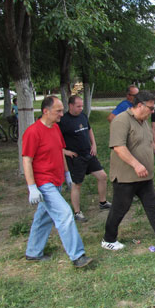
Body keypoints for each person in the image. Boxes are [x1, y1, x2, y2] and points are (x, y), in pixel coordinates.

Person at [102, 91, 155, 251]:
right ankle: (108, 239)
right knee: (120, 208)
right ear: (140, 105)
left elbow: (149, 141)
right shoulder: (121, 120)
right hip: (126, 176)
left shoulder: (143, 121)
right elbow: (119, 147)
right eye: (151, 108)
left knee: (152, 205)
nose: (153, 111)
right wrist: (136, 165)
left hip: (144, 176)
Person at [22, 96, 93, 268]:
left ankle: (33, 252)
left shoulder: (55, 128)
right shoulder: (33, 132)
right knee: (65, 214)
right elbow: (27, 160)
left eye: (62, 110)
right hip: (43, 182)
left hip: (56, 181)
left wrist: (66, 174)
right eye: (58, 111)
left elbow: (60, 152)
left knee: (43, 217)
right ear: (46, 111)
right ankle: (78, 256)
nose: (62, 114)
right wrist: (32, 187)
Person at [59, 95, 111, 223]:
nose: (81, 108)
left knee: (103, 176)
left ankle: (103, 202)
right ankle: (77, 212)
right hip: (76, 158)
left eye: (82, 106)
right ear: (70, 106)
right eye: (78, 106)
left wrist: (94, 144)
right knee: (77, 184)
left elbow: (89, 130)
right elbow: (54, 141)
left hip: (89, 154)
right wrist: (65, 152)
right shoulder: (63, 121)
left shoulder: (83, 116)